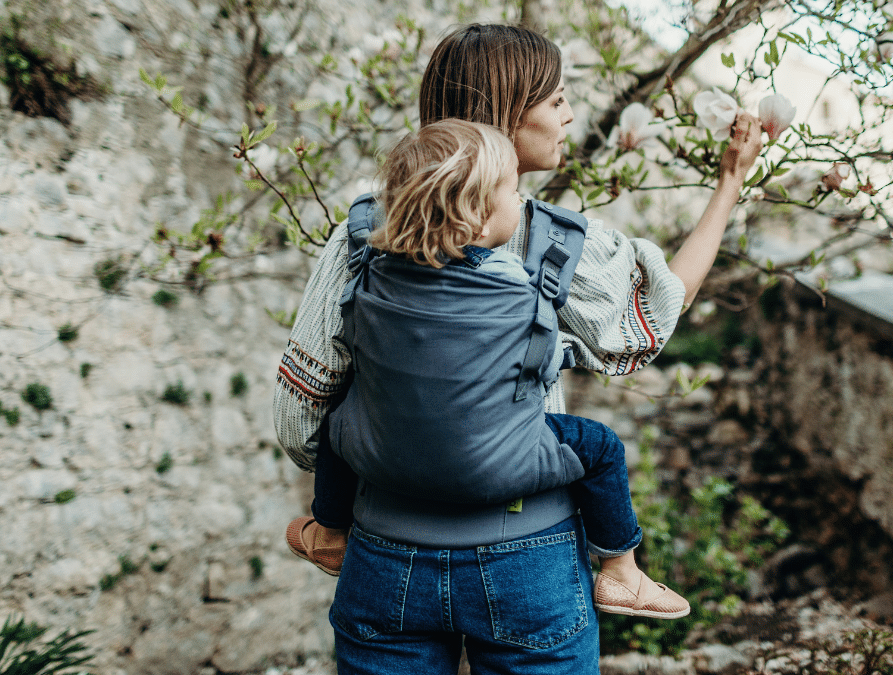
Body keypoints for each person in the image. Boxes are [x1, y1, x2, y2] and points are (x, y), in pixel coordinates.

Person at [272, 22, 763, 675]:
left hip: (385, 559)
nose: (570, 115)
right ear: (505, 116)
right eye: (556, 100)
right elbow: (658, 309)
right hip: (526, 557)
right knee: (593, 446)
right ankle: (626, 567)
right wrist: (729, 184)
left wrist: (345, 502)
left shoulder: (365, 231)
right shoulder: (557, 244)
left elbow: (304, 418)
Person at [286, 118, 691, 622]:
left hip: (384, 473)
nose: (521, 205)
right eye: (514, 194)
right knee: (602, 447)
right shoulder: (514, 284)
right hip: (502, 474)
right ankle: (622, 573)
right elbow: (542, 363)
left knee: (336, 425)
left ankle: (329, 533)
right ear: (478, 222)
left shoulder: (371, 273)